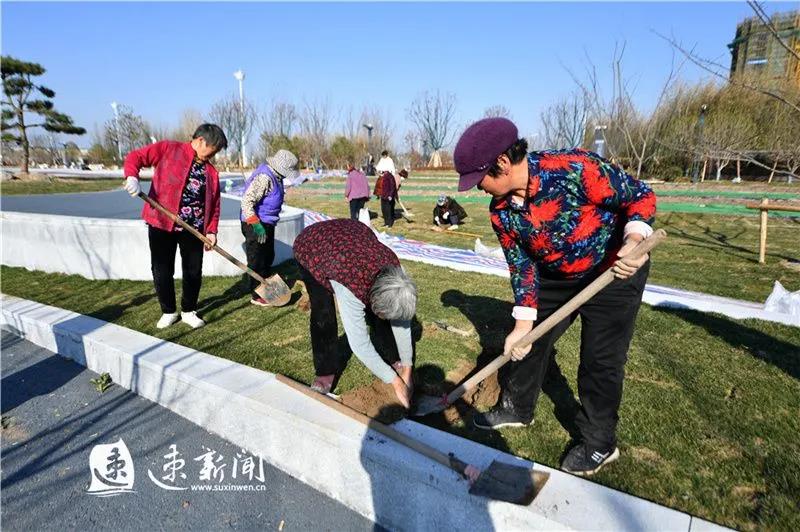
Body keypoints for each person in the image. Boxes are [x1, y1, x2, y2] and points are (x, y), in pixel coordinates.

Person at [453, 117, 657, 476]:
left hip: (613, 271)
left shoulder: (574, 169)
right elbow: (522, 266)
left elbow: (640, 195)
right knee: (529, 342)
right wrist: (522, 325)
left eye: (480, 178)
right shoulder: (501, 212)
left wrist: (634, 241)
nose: (478, 188)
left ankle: (600, 442)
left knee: (600, 360)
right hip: (556, 277)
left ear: (502, 162)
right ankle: (517, 407)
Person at [293, 219, 416, 408]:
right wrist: (395, 382)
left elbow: (401, 321)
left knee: (384, 317)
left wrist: (407, 368)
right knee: (323, 312)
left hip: (352, 236)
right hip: (312, 248)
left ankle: (395, 359)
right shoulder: (349, 284)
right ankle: (325, 371)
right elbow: (359, 344)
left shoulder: (397, 275)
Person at [123, 124, 228, 329]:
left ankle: (189, 310)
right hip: (161, 222)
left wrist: (211, 230)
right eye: (213, 149)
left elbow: (215, 204)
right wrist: (132, 176)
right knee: (161, 269)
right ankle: (168, 311)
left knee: (193, 270)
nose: (213, 155)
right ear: (200, 141)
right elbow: (135, 157)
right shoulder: (168, 149)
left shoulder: (211, 172)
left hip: (194, 229)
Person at [240, 149, 299, 306]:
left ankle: (266, 287)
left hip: (266, 223)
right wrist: (255, 224)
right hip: (255, 223)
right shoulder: (265, 177)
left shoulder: (276, 177)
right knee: (257, 259)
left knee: (267, 256)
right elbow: (246, 201)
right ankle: (256, 294)